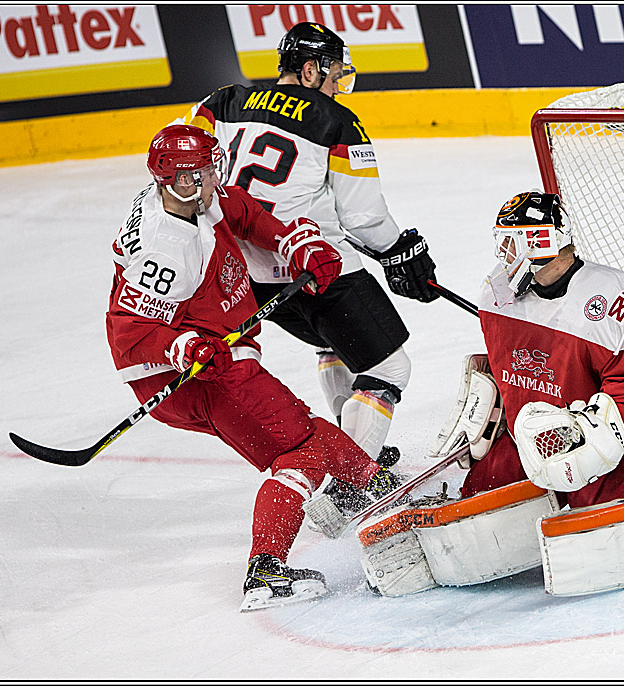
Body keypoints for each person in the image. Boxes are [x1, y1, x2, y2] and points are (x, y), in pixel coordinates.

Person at [105, 124, 401, 612]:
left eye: (206, 170)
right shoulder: (165, 247)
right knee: (299, 455)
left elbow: (239, 210)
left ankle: (365, 482)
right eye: (190, 177)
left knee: (302, 428)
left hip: (220, 353)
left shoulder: (193, 196)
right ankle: (264, 572)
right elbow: (128, 334)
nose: (204, 182)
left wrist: (292, 242)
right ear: (165, 180)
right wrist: (182, 347)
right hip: (186, 376)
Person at [350, 191, 624, 597]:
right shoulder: (498, 293)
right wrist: (486, 412)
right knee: (479, 498)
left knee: (594, 510)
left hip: (610, 445)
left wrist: (597, 438)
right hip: (530, 440)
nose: (503, 253)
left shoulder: (609, 297)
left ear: (539, 242)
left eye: (511, 241)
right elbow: (508, 370)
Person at [179, 22, 439, 508]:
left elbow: (185, 167)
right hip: (312, 266)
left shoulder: (221, 102)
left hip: (245, 276)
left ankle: (348, 451)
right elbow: (364, 220)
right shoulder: (337, 121)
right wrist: (402, 251)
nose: (339, 85)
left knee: (330, 342)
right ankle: (353, 479)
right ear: (310, 69)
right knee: (389, 366)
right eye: (335, 74)